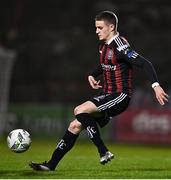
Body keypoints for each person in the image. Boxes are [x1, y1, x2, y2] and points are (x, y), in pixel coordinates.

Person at [29, 11, 169, 171]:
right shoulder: (103, 45)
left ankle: (103, 150)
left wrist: (156, 86)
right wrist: (92, 74)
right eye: (96, 27)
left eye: (100, 27)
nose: (96, 31)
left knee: (79, 110)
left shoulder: (121, 46)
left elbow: (146, 64)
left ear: (111, 27)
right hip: (106, 94)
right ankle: (51, 165)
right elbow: (105, 64)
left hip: (120, 96)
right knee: (74, 125)